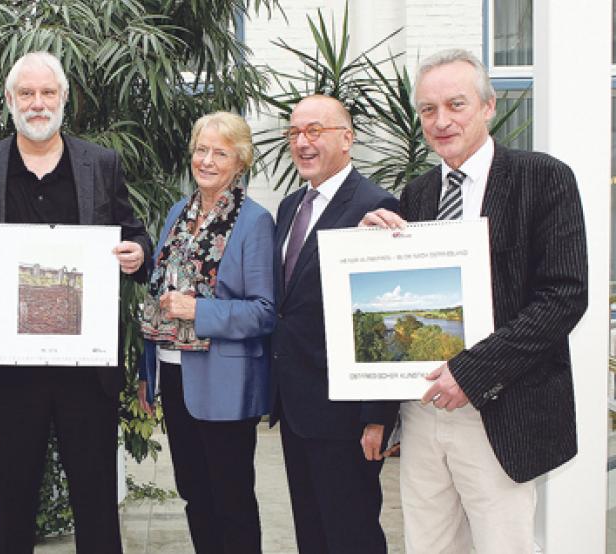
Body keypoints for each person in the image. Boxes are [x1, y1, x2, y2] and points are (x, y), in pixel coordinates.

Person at [361, 49, 588, 553]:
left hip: (499, 407)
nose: (441, 121)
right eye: (427, 109)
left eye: (456, 104)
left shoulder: (543, 178)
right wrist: (366, 249)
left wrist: (471, 371)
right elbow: (397, 294)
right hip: (422, 413)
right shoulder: (414, 196)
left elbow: (564, 297)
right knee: (429, 545)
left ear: (487, 107)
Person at [0, 51, 152, 553]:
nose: (37, 104)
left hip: (85, 368)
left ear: (64, 99)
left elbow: (136, 235)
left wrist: (136, 252)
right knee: (12, 503)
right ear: (11, 101)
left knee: (97, 501)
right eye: (26, 94)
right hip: (9, 370)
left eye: (47, 93)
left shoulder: (100, 164)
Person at [136, 111, 275, 553]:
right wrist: (147, 371)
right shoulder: (179, 212)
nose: (208, 160)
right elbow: (157, 291)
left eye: (220, 152)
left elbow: (265, 312)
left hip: (226, 383)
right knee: (194, 494)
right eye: (201, 149)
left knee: (231, 500)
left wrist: (200, 311)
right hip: (174, 374)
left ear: (240, 161)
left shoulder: (254, 222)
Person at [270, 94, 399, 554]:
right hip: (296, 407)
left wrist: (378, 417)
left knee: (352, 535)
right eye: (294, 132)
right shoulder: (289, 208)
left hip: (345, 416)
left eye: (315, 131)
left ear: (348, 138)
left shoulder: (375, 206)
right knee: (312, 532)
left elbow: (383, 319)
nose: (302, 142)